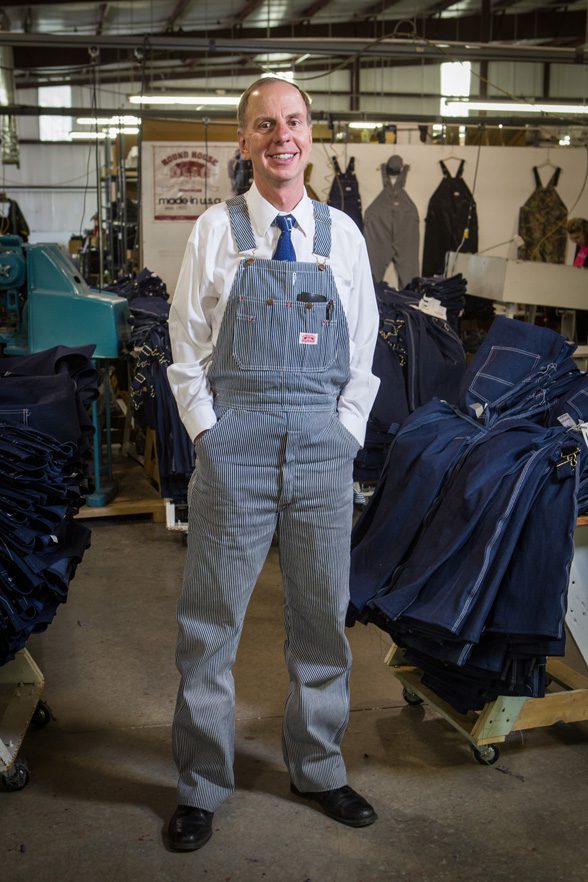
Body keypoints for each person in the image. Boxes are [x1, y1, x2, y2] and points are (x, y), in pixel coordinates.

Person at [166, 76, 380, 852]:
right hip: (237, 448)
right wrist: (208, 436)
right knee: (210, 624)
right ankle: (200, 785)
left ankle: (319, 768)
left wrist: (347, 432)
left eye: (292, 121)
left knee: (321, 621)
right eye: (264, 125)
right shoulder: (216, 231)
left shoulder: (343, 237)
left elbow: (363, 352)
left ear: (310, 133)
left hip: (324, 448)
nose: (280, 136)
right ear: (245, 141)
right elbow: (186, 348)